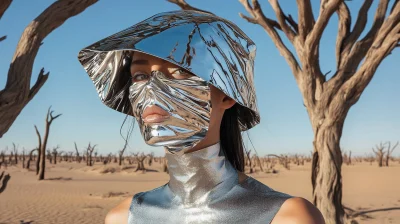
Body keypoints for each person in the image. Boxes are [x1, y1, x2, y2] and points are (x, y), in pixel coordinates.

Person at [78, 10, 325, 224]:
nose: (152, 90)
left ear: (228, 95)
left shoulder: (288, 217)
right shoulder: (124, 217)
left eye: (180, 71)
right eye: (140, 76)